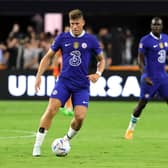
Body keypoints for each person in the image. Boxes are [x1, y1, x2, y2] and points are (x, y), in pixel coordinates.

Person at [32, 9, 105, 156]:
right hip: (64, 82)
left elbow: (101, 60)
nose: (75, 26)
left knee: (80, 117)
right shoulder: (62, 38)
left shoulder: (91, 40)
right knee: (51, 109)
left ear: (83, 23)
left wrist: (98, 74)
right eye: (72, 23)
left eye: (77, 23)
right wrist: (38, 75)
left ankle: (65, 140)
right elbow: (47, 57)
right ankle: (37, 146)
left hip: (82, 85)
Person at [124, 17, 168, 140]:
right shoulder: (146, 40)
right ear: (151, 26)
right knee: (142, 104)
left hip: (163, 78)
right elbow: (140, 59)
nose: (156, 27)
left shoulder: (166, 38)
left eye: (158, 25)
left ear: (162, 26)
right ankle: (130, 129)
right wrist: (145, 75)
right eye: (154, 25)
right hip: (150, 78)